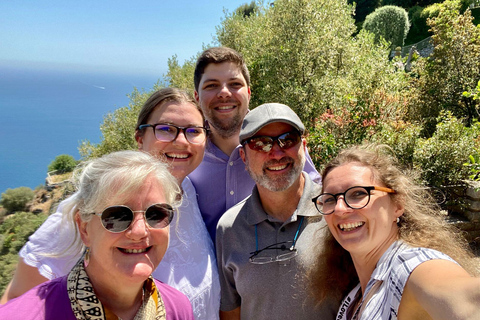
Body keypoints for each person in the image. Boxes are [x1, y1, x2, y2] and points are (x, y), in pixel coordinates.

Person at [1, 88, 220, 320]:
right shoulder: (92, 205)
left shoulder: (189, 191)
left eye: (194, 131)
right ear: (139, 138)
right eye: (165, 129)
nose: (180, 141)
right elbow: (20, 298)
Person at [0, 150, 194, 319]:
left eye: (155, 214)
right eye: (117, 216)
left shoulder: (177, 308)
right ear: (84, 228)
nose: (139, 231)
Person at [309, 144, 480, 320]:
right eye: (329, 199)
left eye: (358, 194)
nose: (339, 209)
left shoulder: (411, 266)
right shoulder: (356, 291)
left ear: (397, 205)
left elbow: (465, 300)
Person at [215, 103, 339, 320]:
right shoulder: (229, 227)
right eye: (261, 143)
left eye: (288, 140)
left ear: (304, 147)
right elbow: (230, 311)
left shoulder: (336, 210)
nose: (276, 152)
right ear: (244, 157)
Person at [190, 46, 320, 241]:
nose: (224, 93)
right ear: (197, 97)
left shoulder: (282, 139)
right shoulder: (187, 152)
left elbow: (316, 191)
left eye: (234, 84)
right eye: (211, 85)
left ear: (249, 92)